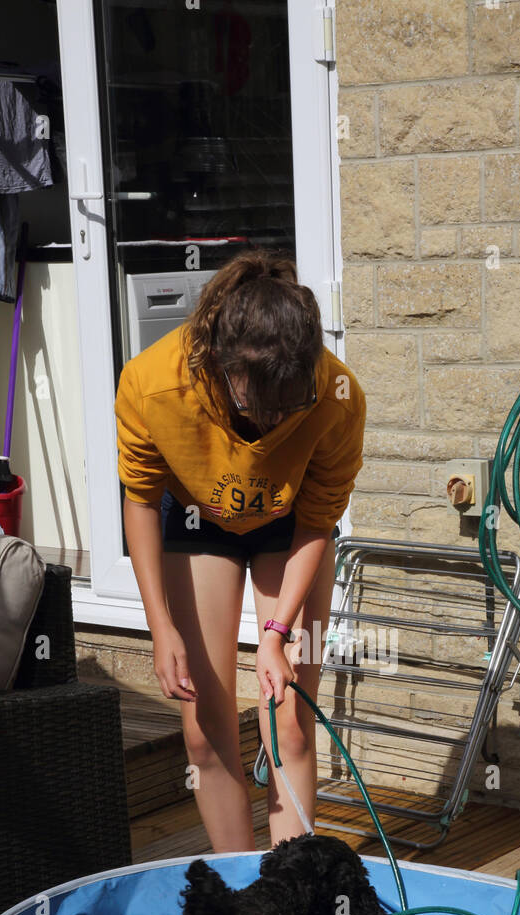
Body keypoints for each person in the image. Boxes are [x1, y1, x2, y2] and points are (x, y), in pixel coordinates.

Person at [114, 246, 366, 852]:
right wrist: (159, 626)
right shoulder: (153, 385)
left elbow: (318, 522)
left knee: (291, 726)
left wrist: (276, 634)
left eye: (291, 403)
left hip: (292, 524)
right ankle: (241, 888)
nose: (278, 418)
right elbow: (142, 501)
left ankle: (290, 893)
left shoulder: (336, 396)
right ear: (226, 367)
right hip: (200, 519)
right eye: (263, 403)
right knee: (204, 731)